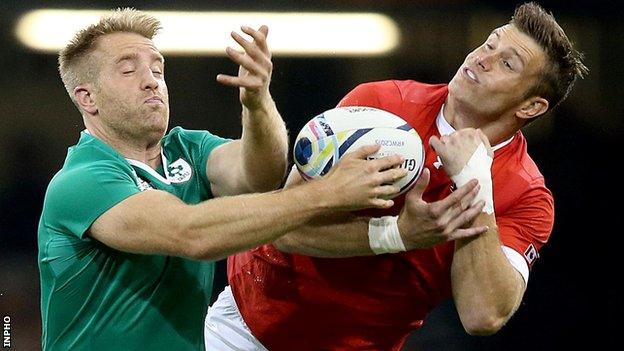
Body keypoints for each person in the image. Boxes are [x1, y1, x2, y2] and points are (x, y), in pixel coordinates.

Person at [206, 2, 588, 350]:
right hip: (243, 328)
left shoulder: (525, 195)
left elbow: (483, 315)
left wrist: (476, 185)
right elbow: (283, 227)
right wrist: (398, 234)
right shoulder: (381, 104)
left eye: (508, 63)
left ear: (532, 105)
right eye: (489, 45)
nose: (484, 59)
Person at [37, 9, 413, 351]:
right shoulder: (82, 180)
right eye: (128, 70)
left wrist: (257, 102)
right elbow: (190, 233)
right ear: (87, 98)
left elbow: (259, 175)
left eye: (157, 68)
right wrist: (328, 194)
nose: (152, 82)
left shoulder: (188, 148)